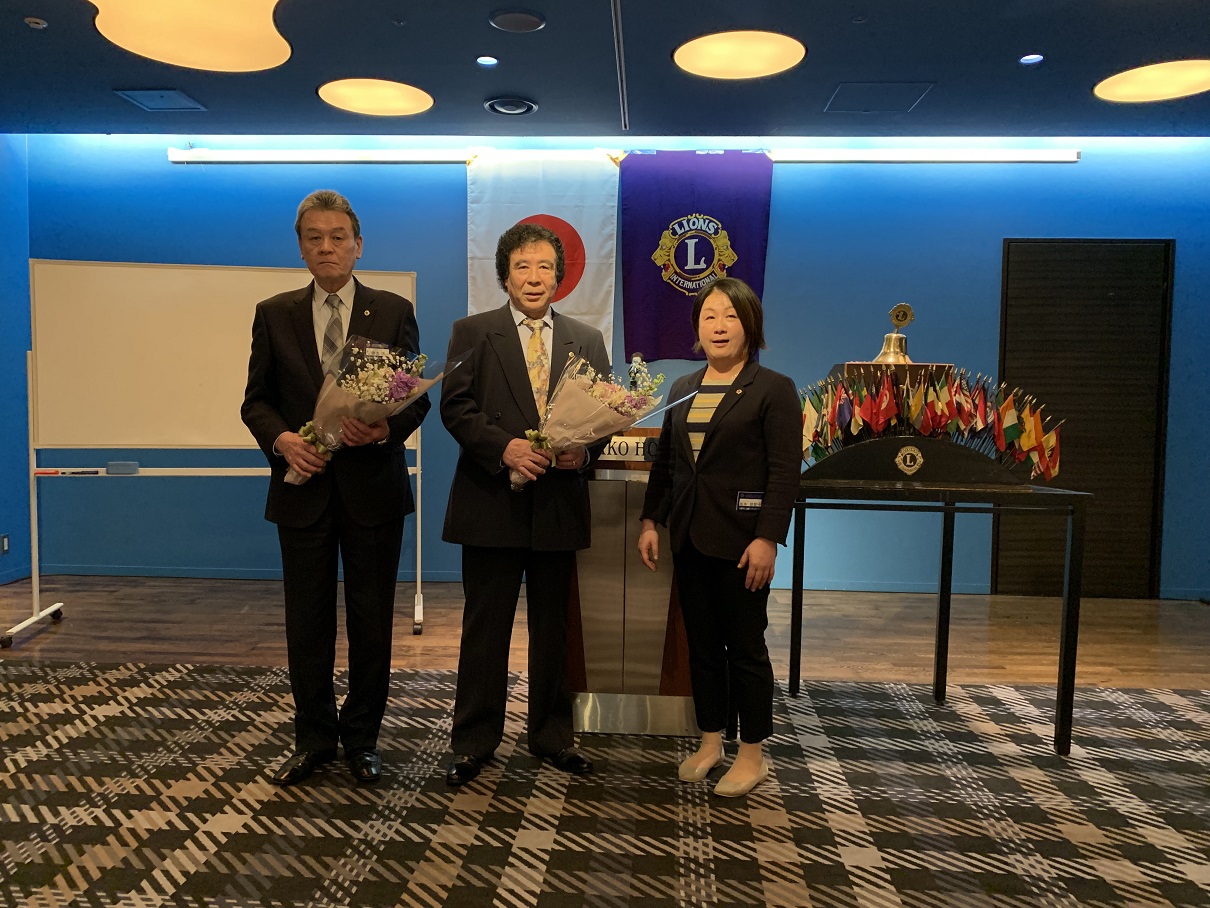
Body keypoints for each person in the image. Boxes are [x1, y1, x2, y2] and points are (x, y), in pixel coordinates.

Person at [241, 189, 429, 786]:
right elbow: (256, 401)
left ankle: (363, 739)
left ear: (358, 244)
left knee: (372, 622)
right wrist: (282, 441)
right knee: (308, 622)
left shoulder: (392, 310)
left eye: (338, 237)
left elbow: (413, 398)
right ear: (300, 247)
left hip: (373, 491)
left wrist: (385, 429)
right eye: (314, 237)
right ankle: (314, 739)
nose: (327, 247)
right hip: (302, 491)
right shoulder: (274, 313)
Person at [440, 222, 611, 785]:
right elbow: (455, 408)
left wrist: (583, 453)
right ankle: (473, 741)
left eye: (544, 267)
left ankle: (553, 736)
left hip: (557, 503)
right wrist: (505, 448)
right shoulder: (472, 332)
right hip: (490, 501)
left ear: (559, 277)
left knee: (554, 630)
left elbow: (605, 418)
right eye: (522, 266)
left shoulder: (587, 339)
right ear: (504, 275)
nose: (534, 277)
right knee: (484, 629)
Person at [637, 277, 801, 797]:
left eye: (730, 315)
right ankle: (711, 742)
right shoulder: (683, 388)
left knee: (746, 649)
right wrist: (650, 521)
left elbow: (784, 472)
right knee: (703, 647)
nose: (719, 325)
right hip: (689, 538)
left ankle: (752, 754)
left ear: (750, 325)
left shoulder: (773, 388)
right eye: (709, 316)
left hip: (742, 543)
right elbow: (668, 463)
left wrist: (767, 538)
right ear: (697, 328)